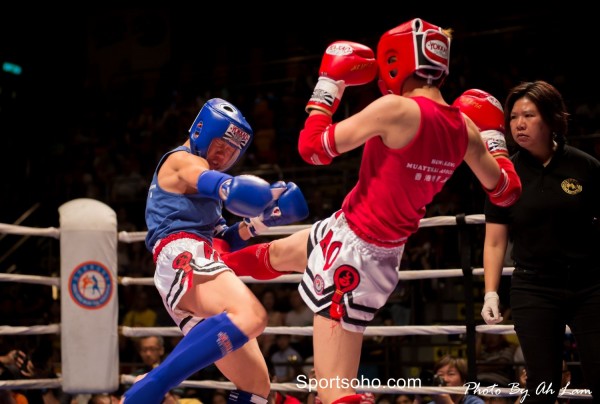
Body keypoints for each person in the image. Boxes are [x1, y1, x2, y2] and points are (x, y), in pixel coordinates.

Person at [222, 18, 522, 404]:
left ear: (397, 59)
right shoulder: (465, 129)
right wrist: (495, 139)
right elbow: (505, 192)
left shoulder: (395, 109)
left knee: (333, 390)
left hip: (355, 255)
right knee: (274, 254)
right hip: (353, 233)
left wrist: (331, 82)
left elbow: (312, 147)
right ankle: (211, 259)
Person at [121, 98, 309, 403]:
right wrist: (232, 188)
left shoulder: (207, 195)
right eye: (220, 145)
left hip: (198, 259)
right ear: (200, 132)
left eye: (232, 151)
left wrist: (262, 221)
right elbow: (218, 184)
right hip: (182, 254)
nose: (223, 155)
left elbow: (223, 238)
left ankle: (154, 384)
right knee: (251, 315)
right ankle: (152, 385)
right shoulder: (182, 161)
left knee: (257, 386)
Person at [478, 80, 600, 402]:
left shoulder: (585, 166)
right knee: (542, 382)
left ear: (550, 118)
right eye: (514, 116)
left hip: (590, 285)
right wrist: (491, 293)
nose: (519, 124)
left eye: (528, 115)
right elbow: (494, 241)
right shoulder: (503, 173)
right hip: (534, 288)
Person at [415, 356, 484, 404]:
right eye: (440, 375)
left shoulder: (474, 402)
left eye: (451, 374)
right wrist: (418, 399)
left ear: (463, 380)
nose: (445, 379)